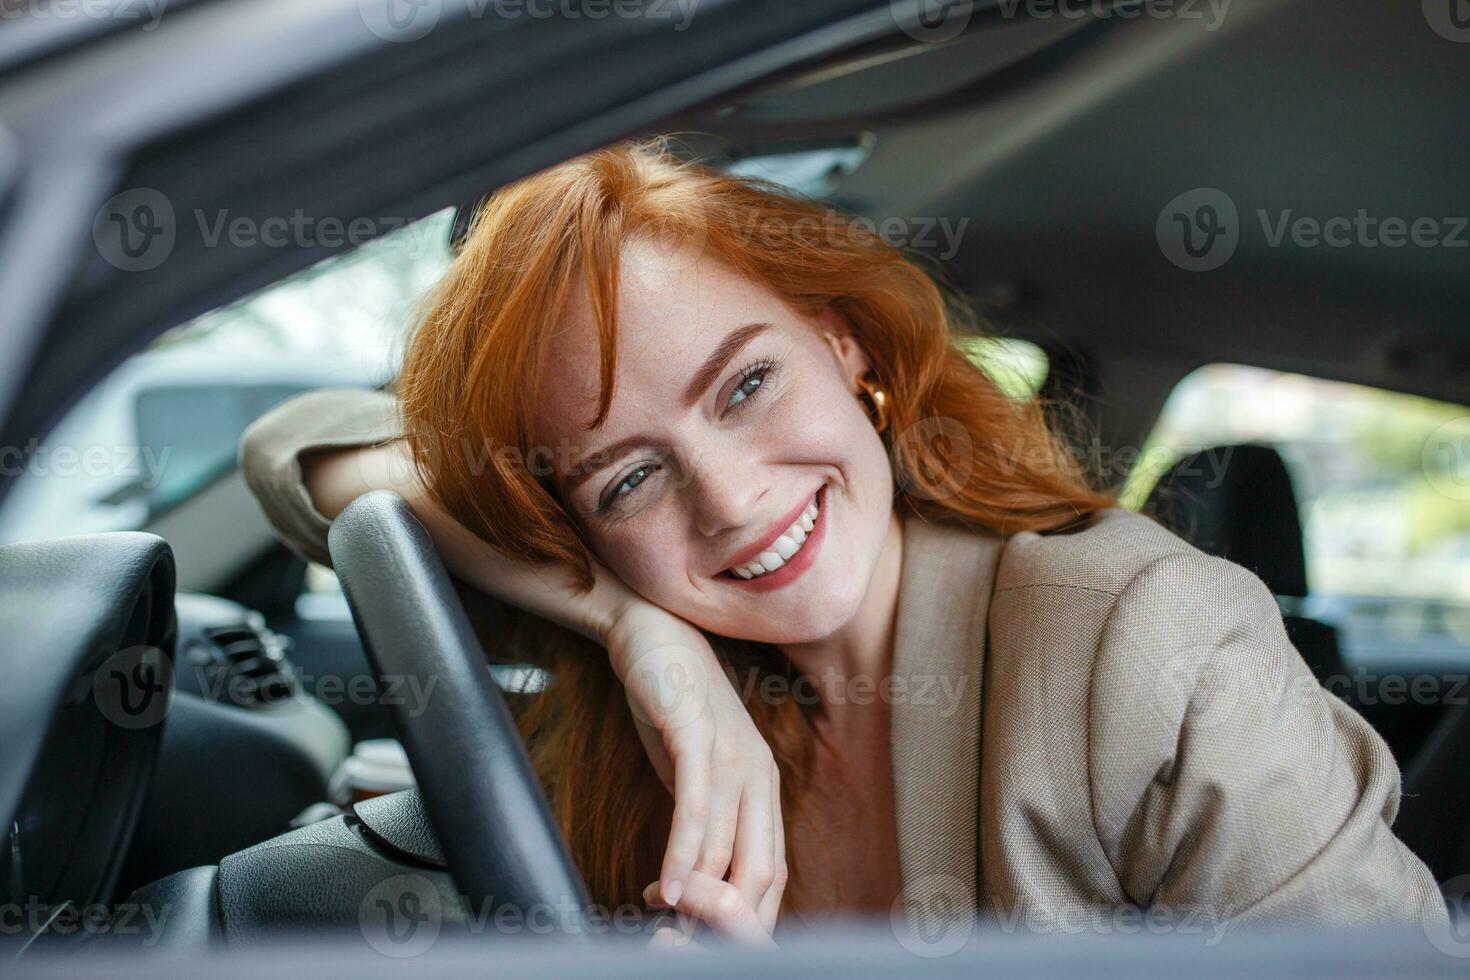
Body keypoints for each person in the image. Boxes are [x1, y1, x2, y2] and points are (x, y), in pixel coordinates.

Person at [240, 138, 1446, 946]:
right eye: (631, 474)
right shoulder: (648, 638)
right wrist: (631, 626)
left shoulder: (1146, 640)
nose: (729, 502)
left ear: (842, 345)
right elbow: (299, 452)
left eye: (746, 384)